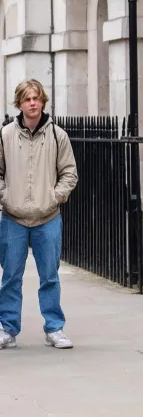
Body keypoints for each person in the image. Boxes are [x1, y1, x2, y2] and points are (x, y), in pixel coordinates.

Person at [0, 79, 78, 349]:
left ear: (43, 101)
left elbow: (69, 173)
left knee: (50, 276)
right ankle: (8, 328)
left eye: (36, 98)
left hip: (48, 218)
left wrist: (55, 197)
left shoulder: (58, 135)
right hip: (13, 218)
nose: (32, 103)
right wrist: (5, 197)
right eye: (27, 99)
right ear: (19, 103)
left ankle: (54, 328)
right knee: (10, 276)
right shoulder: (5, 135)